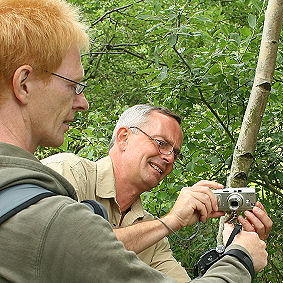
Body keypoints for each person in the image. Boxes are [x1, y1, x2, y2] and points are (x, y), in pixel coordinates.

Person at [0, 1, 268, 282]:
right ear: (24, 83)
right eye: (73, 85)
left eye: (175, 153)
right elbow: (81, 246)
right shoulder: (64, 178)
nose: (83, 102)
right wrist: (241, 258)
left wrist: (229, 246)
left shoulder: (150, 229)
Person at [42, 105, 272, 282]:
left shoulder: (153, 233)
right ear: (123, 138)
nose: (169, 158)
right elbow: (68, 250)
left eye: (176, 153)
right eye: (161, 143)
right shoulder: (68, 173)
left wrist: (233, 248)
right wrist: (171, 221)